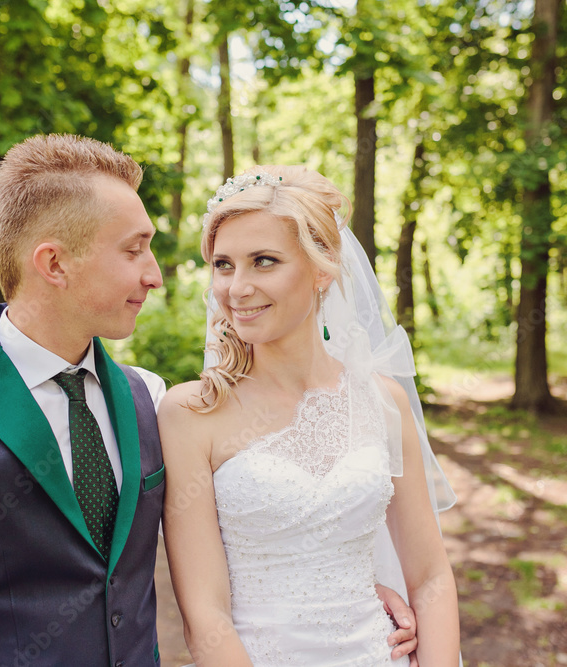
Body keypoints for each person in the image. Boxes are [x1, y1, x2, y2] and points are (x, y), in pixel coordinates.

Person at [0, 134, 418, 666]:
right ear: (54, 264)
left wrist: (346, 599)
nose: (156, 276)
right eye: (134, 250)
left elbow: (267, 519)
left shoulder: (153, 400)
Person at [159, 165, 461, 666]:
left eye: (264, 261)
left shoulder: (384, 402)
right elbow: (204, 616)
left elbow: (431, 576)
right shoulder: (192, 413)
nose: (237, 288)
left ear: (322, 269)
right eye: (223, 265)